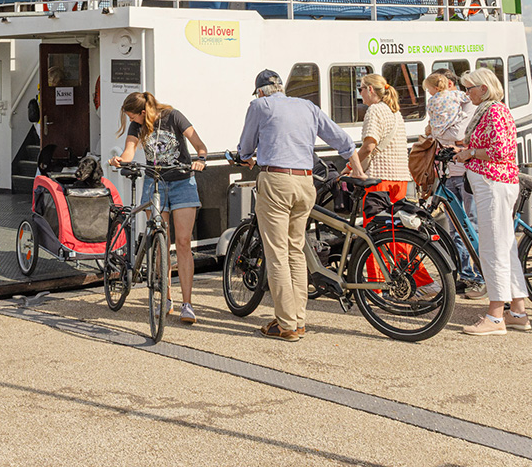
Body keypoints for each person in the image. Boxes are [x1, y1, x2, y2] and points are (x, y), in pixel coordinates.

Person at [235, 69, 360, 341]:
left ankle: (286, 325)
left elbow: (245, 147)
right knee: (296, 250)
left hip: (277, 181)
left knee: (277, 253)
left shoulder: (260, 105)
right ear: (281, 88)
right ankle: (298, 320)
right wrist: (358, 169)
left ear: (260, 91)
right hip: (305, 183)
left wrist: (245, 156)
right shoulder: (307, 106)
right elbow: (342, 140)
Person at [110, 90, 210, 325]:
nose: (131, 122)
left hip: (183, 182)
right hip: (154, 183)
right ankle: (165, 298)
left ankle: (187, 304)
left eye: (133, 117)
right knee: (160, 241)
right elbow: (129, 150)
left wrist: (201, 160)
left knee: (183, 242)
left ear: (143, 113)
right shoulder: (138, 127)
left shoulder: (173, 116)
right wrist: (120, 160)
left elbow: (199, 144)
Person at [453, 67, 532, 335]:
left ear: (484, 89)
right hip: (495, 183)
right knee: (506, 247)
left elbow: (501, 150)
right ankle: (518, 311)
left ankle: (496, 315)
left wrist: (470, 153)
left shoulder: (494, 111)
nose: (467, 93)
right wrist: (467, 149)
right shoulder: (492, 110)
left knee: (493, 248)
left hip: (492, 184)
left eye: (470, 88)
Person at [424, 70, 482, 294]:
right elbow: (437, 133)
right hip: (449, 173)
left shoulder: (469, 107)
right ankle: (465, 274)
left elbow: (460, 135)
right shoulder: (445, 107)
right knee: (456, 228)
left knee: (472, 224)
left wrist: (441, 133)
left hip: (468, 173)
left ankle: (480, 277)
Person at [351, 73, 412, 202]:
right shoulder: (395, 112)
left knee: (375, 221)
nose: (360, 94)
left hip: (379, 179)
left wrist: (351, 166)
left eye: (360, 89)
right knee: (395, 220)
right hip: (400, 179)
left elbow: (368, 147)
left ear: (370, 89)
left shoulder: (374, 110)